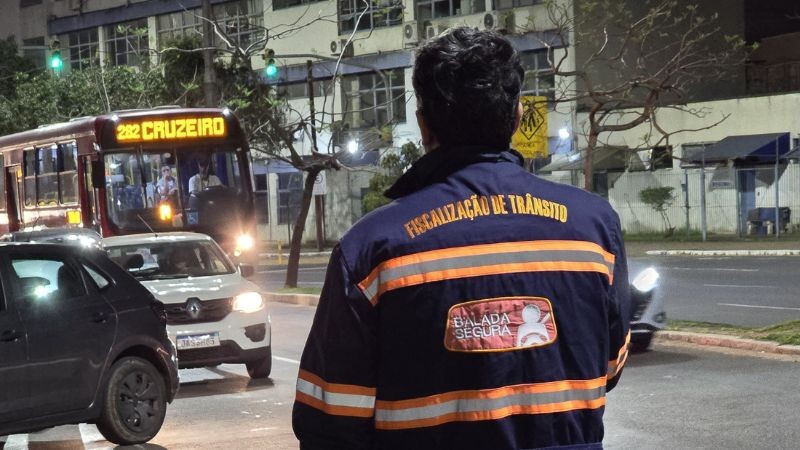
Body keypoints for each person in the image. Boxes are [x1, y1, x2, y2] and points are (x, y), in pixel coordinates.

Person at [292, 27, 630, 450]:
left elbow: (331, 417)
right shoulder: (594, 229)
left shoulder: (371, 250)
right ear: (518, 116)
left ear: (423, 124)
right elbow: (610, 366)